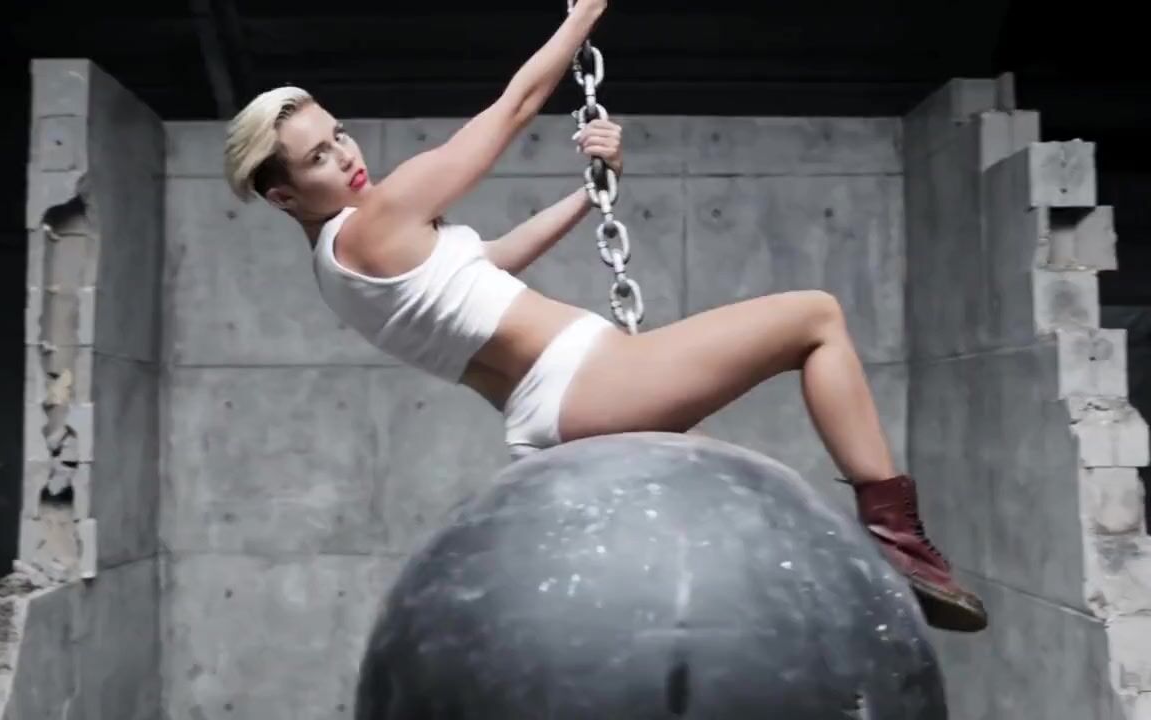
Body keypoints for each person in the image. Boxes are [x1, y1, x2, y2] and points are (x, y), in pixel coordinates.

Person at [222, 0, 987, 633]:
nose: (345, 155)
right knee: (815, 318)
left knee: (753, 508)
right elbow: (515, 106)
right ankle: (901, 543)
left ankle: (852, 601)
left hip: (545, 419)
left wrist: (590, 192)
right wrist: (583, 16)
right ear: (282, 196)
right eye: (317, 157)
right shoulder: (376, 221)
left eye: (338, 133)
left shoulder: (341, 267)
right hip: (588, 382)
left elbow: (490, 263)